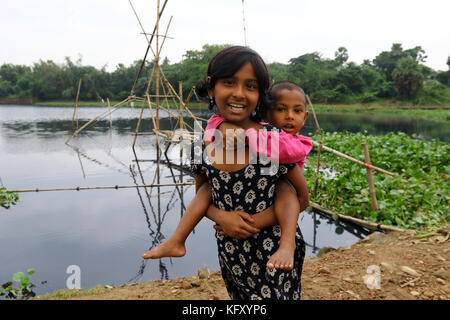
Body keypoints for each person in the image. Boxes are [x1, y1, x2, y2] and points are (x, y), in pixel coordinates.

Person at [143, 45, 307, 300]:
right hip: (231, 248)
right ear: (211, 88)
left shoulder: (270, 142)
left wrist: (256, 223)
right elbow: (203, 193)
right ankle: (177, 241)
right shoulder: (204, 144)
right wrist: (223, 217)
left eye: (250, 86)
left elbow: (300, 197)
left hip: (275, 249)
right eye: (229, 82)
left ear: (260, 95)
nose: (239, 94)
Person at [207, 80, 312, 270]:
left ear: (304, 117)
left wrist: (248, 138)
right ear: (266, 113)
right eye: (281, 109)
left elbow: (288, 152)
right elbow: (213, 122)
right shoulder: (262, 130)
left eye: (297, 111)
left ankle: (287, 243)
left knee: (284, 189)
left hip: (282, 195)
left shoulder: (297, 142)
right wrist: (222, 126)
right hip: (256, 198)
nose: (289, 117)